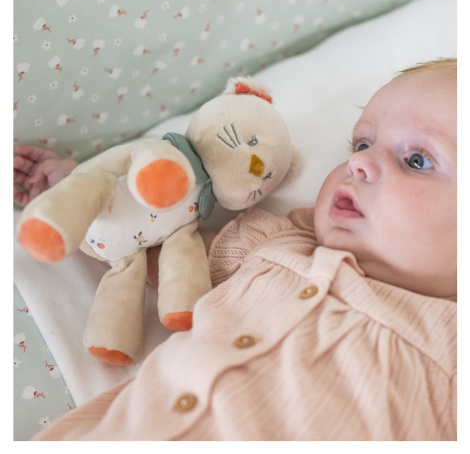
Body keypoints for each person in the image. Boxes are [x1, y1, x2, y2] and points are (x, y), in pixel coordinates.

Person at [15, 58, 457, 440]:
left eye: (417, 160)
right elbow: (158, 249)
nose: (359, 162)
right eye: (362, 143)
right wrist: (92, 203)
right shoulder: (278, 243)